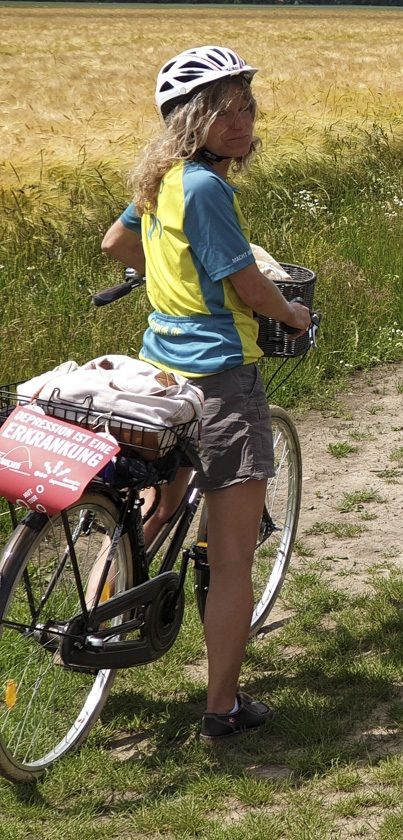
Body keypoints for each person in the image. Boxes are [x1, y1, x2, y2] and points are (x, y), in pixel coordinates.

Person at [100, 45, 311, 739]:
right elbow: (247, 283)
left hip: (158, 369)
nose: (243, 122)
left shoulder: (161, 178)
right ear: (192, 119)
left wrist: (167, 280)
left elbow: (116, 246)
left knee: (157, 505)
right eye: (225, 111)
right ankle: (222, 709)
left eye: (247, 106)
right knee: (231, 557)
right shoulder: (207, 188)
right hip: (222, 379)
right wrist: (289, 312)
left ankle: (106, 613)